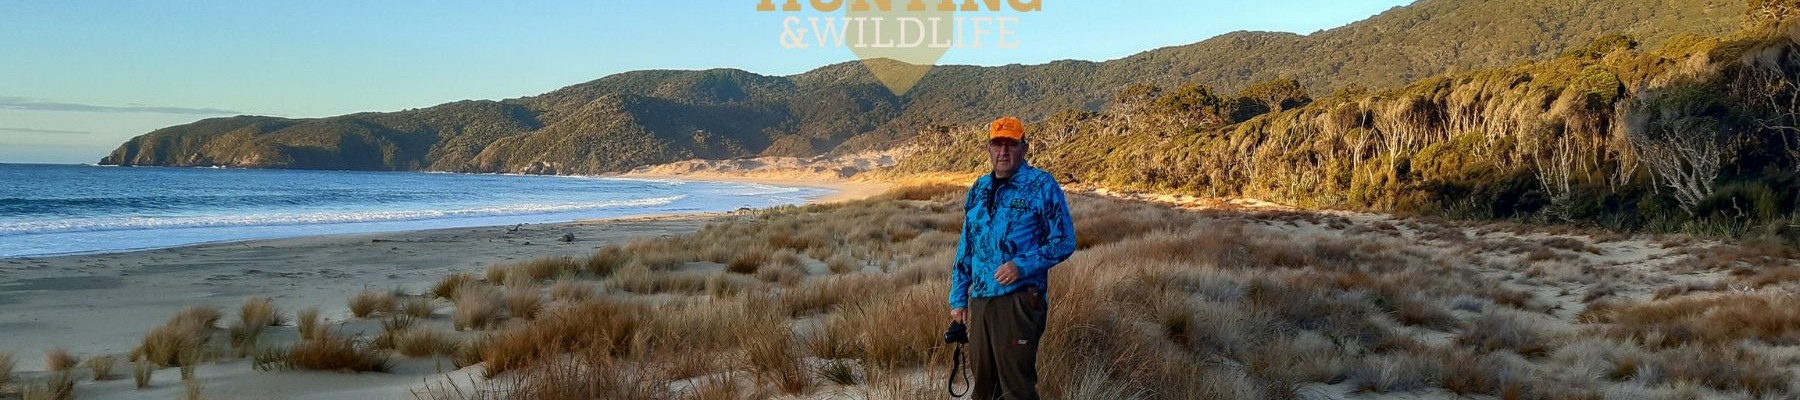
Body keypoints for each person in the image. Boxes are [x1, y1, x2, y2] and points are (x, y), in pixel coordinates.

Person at [948, 116, 1077, 400]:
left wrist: (1022, 265)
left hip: (1019, 300)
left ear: (1024, 147)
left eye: (1011, 144)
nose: (1003, 151)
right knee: (983, 388)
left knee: (1016, 389)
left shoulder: (1042, 185)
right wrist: (958, 298)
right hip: (980, 301)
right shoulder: (979, 188)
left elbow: (1065, 241)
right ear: (988, 148)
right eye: (997, 144)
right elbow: (966, 244)